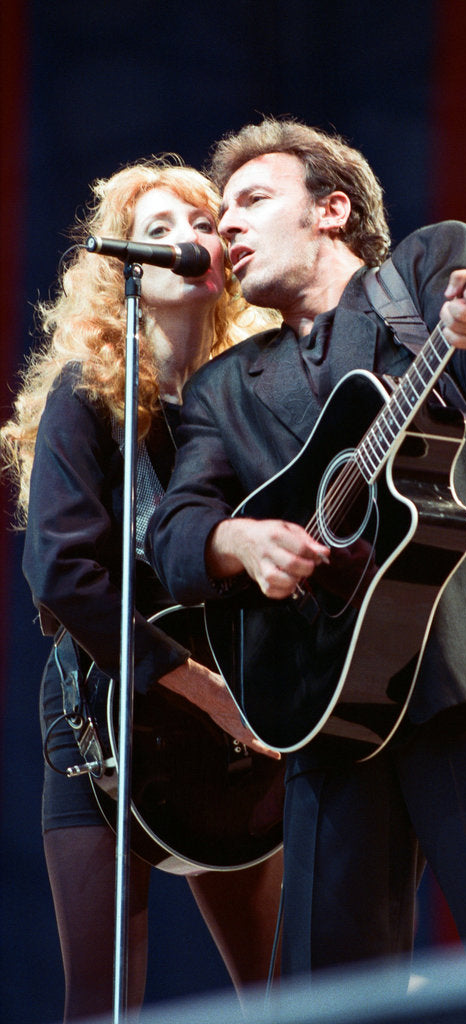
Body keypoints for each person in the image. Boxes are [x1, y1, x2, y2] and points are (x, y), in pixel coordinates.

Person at [145, 118, 466, 980]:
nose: (223, 227)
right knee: (329, 995)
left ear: (331, 209)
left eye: (252, 201)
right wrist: (237, 539)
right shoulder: (224, 386)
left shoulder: (422, 273)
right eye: (220, 212)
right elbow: (174, 530)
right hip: (324, 706)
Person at [0, 156, 285, 1022]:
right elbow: (63, 572)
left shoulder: (248, 397)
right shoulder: (86, 402)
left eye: (201, 226)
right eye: (157, 232)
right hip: (105, 714)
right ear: (122, 268)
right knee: (101, 1000)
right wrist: (197, 688)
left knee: (278, 992)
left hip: (237, 717)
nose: (186, 243)